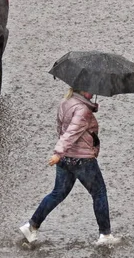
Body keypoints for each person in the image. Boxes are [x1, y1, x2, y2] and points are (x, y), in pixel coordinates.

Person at [19, 87, 119, 246]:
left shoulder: (65, 102)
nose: (92, 93)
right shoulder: (82, 110)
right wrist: (58, 152)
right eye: (89, 89)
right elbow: (71, 133)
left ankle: (31, 226)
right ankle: (105, 235)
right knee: (99, 192)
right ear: (81, 89)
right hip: (82, 160)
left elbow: (61, 129)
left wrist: (61, 155)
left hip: (66, 159)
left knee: (57, 193)